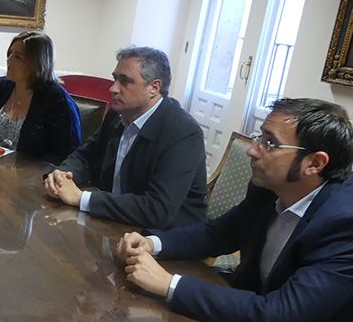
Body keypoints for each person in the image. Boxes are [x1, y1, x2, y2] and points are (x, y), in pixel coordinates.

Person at [116, 98, 353, 321]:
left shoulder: (344, 225)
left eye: (269, 143)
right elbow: (219, 233)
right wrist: (153, 243)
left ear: (315, 163)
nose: (252, 150)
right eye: (259, 137)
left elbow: (282, 313)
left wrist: (169, 284)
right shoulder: (269, 187)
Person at [44, 46, 206, 229]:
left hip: (164, 240)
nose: (113, 88)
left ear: (154, 87)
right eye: (115, 79)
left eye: (125, 81)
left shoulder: (183, 133)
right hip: (114, 221)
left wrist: (81, 198)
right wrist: (62, 177)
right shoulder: (118, 114)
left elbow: (158, 210)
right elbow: (86, 156)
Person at [0, 32, 80, 165]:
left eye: (18, 57)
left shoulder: (57, 100)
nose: (9, 60)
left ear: (37, 63)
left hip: (30, 178)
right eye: (10, 54)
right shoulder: (0, 86)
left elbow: (64, 154)